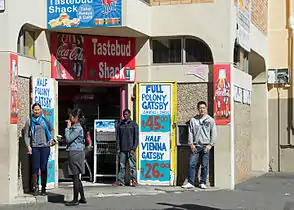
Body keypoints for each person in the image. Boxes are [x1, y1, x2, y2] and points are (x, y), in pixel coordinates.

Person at [182, 101, 217, 189]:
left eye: (203, 108)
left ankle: (203, 182)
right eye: (200, 108)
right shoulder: (193, 120)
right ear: (198, 109)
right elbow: (190, 132)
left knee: (204, 165)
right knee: (191, 164)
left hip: (206, 146)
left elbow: (214, 133)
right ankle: (190, 182)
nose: (202, 110)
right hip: (196, 146)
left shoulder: (210, 120)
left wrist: (210, 145)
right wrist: (191, 144)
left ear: (206, 109)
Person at [24, 103, 54, 196]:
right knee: (35, 168)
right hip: (35, 147)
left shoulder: (45, 120)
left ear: (41, 110)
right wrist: (28, 145)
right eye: (35, 110)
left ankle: (44, 188)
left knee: (44, 167)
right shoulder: (29, 121)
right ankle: (36, 187)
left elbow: (51, 129)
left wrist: (51, 139)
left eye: (38, 109)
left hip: (45, 147)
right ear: (32, 111)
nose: (36, 111)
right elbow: (26, 135)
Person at [64, 108, 87, 206]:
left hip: (75, 153)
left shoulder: (77, 128)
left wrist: (67, 128)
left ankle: (75, 200)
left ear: (76, 117)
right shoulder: (78, 127)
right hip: (78, 152)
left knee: (75, 177)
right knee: (77, 177)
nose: (70, 118)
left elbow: (68, 139)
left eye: (71, 117)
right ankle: (82, 197)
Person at [113, 109, 139, 186]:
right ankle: (120, 181)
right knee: (122, 166)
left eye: (127, 114)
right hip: (122, 149)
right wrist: (118, 148)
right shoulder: (120, 125)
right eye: (124, 114)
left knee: (132, 166)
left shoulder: (134, 124)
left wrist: (133, 149)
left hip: (131, 149)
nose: (125, 116)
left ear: (130, 115)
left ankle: (134, 180)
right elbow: (118, 138)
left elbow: (136, 138)